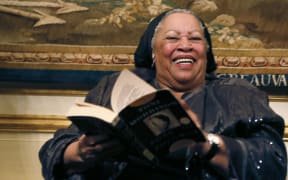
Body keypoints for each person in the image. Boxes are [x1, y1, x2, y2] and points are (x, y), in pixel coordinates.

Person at [39, 8, 287, 179]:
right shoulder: (113, 87)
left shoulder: (237, 94)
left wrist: (207, 144)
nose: (185, 45)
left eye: (195, 38)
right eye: (172, 38)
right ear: (154, 52)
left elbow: (273, 162)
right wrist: (80, 152)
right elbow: (54, 150)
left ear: (206, 51)